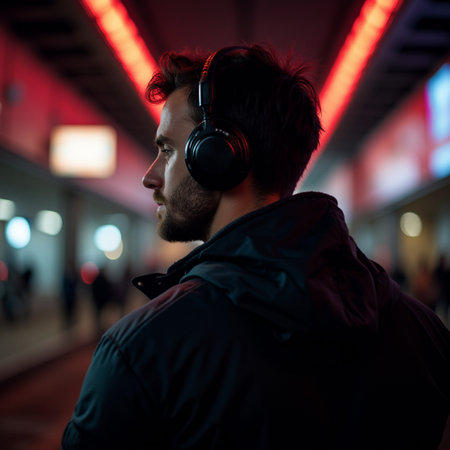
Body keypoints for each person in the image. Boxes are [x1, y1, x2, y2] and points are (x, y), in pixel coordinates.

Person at [62, 45, 450, 449]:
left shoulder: (142, 349)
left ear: (217, 155)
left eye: (167, 150)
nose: (150, 176)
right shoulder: (423, 332)